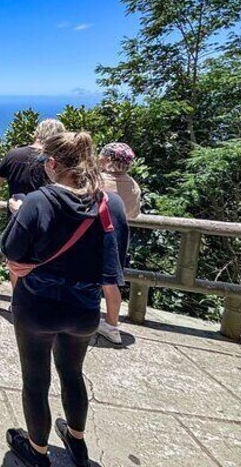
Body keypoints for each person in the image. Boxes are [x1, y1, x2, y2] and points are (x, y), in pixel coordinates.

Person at [1, 132, 128, 467]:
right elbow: (116, 259)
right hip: (84, 308)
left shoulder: (38, 202)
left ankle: (37, 451)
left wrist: (18, 212)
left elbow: (12, 251)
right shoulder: (110, 204)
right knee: (72, 373)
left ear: (53, 164)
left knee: (35, 379)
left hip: (37, 305)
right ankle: (76, 440)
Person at [0, 118, 66, 290]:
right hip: (50, 222)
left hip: (18, 219)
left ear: (36, 134)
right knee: (46, 264)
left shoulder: (14, 155)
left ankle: (17, 298)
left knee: (16, 262)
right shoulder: (58, 161)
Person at [98, 142, 142, 345]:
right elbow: (133, 213)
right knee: (111, 281)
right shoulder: (133, 186)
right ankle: (112, 325)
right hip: (118, 235)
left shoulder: (96, 180)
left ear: (107, 159)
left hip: (92, 233)